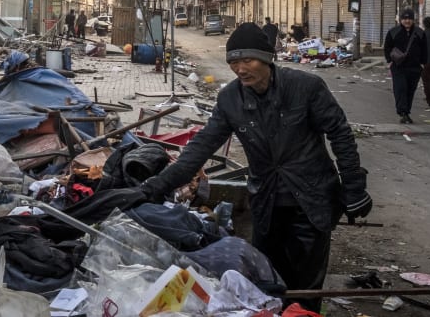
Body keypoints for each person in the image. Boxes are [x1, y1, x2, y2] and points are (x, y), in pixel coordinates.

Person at [141, 23, 371, 313]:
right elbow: (199, 149)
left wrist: (353, 186)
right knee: (266, 281)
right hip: (267, 202)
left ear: (266, 59)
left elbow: (340, 134)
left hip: (311, 201)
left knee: (306, 287)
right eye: (234, 62)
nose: (240, 68)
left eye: (247, 60)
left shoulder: (306, 88)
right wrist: (153, 187)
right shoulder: (230, 100)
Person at [383, 8, 428, 124]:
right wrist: (389, 60)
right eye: (405, 18)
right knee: (400, 89)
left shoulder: (420, 33)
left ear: (413, 20)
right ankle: (402, 112)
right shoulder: (393, 32)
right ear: (401, 19)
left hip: (414, 68)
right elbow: (387, 47)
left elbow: (425, 49)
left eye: (410, 18)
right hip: (398, 67)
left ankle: (407, 112)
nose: (407, 21)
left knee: (410, 90)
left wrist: (423, 63)